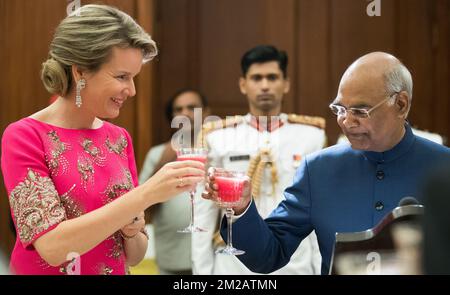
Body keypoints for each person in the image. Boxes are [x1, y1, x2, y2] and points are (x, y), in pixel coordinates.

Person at [202, 51, 450, 275]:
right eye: (340, 109)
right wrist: (242, 208)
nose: (346, 122)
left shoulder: (443, 168)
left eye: (360, 112)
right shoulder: (319, 169)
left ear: (401, 104)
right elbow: (268, 256)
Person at [0, 4, 204, 275]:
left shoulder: (119, 138)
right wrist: (146, 195)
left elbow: (135, 255)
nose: (131, 90)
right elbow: (52, 248)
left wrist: (132, 232)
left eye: (133, 78)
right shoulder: (24, 136)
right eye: (122, 76)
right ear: (80, 71)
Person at [192, 45, 326, 275]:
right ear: (243, 84)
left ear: (286, 83)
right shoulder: (218, 137)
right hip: (233, 264)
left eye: (272, 77)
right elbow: (203, 212)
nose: (264, 85)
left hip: (295, 262)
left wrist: (320, 267)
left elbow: (319, 212)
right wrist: (202, 273)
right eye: (256, 78)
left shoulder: (311, 136)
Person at [139, 89, 210, 275]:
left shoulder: (220, 151)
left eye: (192, 108)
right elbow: (140, 203)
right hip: (172, 260)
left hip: (213, 256)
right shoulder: (158, 154)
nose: (185, 113)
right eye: (179, 109)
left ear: (206, 112)